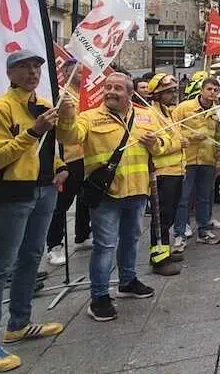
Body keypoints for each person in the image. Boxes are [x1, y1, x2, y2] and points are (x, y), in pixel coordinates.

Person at [0, 50, 67, 372]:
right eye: (24, 67)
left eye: (36, 67)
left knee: (31, 257)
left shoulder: (42, 105)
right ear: (10, 73)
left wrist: (60, 166)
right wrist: (34, 131)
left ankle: (19, 323)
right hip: (9, 194)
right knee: (0, 267)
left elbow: (44, 152)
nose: (32, 72)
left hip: (43, 190)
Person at [57, 72, 167, 322]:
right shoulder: (88, 117)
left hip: (138, 191)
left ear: (130, 94)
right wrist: (65, 115)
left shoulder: (146, 116)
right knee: (104, 246)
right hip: (106, 193)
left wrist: (155, 143)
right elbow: (69, 137)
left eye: (118, 88)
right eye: (108, 87)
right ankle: (99, 297)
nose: (111, 92)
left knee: (131, 239)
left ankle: (127, 282)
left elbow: (164, 144)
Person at [172, 77, 220, 251]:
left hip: (208, 160)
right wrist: (190, 137)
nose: (212, 93)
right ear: (202, 90)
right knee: (183, 198)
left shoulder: (217, 112)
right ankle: (180, 233)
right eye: (209, 89)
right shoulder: (185, 108)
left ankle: (204, 231)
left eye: (215, 90)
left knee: (204, 197)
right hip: (186, 160)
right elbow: (171, 129)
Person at [46, 58, 91, 266]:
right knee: (62, 204)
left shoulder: (88, 95)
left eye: (83, 72)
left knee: (86, 198)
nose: (82, 76)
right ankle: (54, 244)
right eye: (78, 72)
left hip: (87, 155)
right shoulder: (61, 96)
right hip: (68, 157)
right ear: (66, 73)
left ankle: (82, 235)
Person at [145, 74, 185, 276]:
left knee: (168, 215)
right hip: (162, 174)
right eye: (168, 92)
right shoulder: (151, 115)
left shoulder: (169, 114)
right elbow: (156, 146)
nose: (173, 95)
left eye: (173, 91)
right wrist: (179, 144)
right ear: (157, 95)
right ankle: (159, 259)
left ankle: (165, 251)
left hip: (176, 171)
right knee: (161, 216)